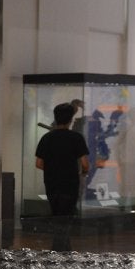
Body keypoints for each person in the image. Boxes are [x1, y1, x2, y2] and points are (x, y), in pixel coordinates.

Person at [35, 101, 90, 251]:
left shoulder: (47, 138)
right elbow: (85, 164)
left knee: (56, 215)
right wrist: (82, 173)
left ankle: (59, 248)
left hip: (52, 183)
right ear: (71, 119)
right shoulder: (76, 138)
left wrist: (54, 169)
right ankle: (63, 248)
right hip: (70, 184)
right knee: (67, 217)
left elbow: (39, 163)